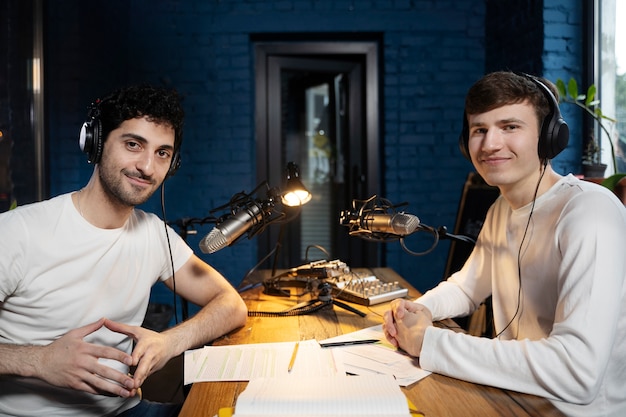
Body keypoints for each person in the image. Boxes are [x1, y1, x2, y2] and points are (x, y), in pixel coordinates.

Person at [383, 71, 626, 417]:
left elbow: (578, 372)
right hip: (515, 399)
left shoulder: (590, 212)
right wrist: (419, 309)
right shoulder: (501, 208)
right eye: (479, 130)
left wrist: (430, 341)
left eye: (510, 127)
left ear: (548, 137)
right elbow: (467, 288)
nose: (490, 144)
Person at [0, 84, 248, 416]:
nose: (147, 167)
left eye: (162, 153)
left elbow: (231, 305)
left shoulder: (154, 235)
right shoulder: (18, 232)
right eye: (133, 144)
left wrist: (169, 342)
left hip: (124, 410)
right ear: (96, 143)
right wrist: (38, 360)